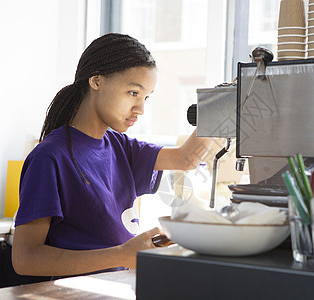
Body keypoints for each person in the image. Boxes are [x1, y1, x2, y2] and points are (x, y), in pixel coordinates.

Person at [11, 33, 213, 277]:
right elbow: (26, 259)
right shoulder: (50, 157)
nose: (140, 109)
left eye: (146, 97)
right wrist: (121, 254)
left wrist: (219, 107)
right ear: (96, 81)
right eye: (133, 93)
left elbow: (185, 159)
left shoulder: (120, 145)